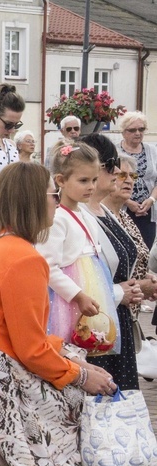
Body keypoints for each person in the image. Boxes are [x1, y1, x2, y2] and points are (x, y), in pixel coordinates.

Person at [0, 161, 115, 466]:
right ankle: (10, 442)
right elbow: (31, 350)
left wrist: (71, 360)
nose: (59, 202)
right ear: (33, 200)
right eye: (54, 194)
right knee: (75, 396)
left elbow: (21, 337)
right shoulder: (24, 257)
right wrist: (82, 375)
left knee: (72, 357)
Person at [37, 141, 123, 386]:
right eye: (84, 181)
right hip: (68, 299)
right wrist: (77, 295)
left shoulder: (84, 213)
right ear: (61, 180)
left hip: (90, 289)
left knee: (90, 346)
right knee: (70, 346)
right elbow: (47, 266)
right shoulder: (56, 219)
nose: (92, 187)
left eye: (94, 180)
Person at [79, 134, 145, 391]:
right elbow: (80, 278)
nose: (117, 171)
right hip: (97, 324)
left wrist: (134, 287)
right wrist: (120, 292)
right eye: (110, 165)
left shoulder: (105, 211)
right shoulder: (78, 215)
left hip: (117, 322)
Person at [103, 155, 157, 317]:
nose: (129, 181)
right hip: (109, 311)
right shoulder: (100, 218)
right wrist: (142, 285)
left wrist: (149, 280)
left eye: (132, 176)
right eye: (122, 175)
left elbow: (133, 263)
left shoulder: (125, 217)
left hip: (130, 312)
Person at [116, 111, 157, 248]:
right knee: (125, 248)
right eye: (132, 130)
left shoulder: (153, 151)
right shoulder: (115, 151)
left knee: (145, 249)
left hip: (147, 210)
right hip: (121, 208)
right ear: (123, 132)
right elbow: (108, 179)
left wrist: (151, 200)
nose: (137, 133)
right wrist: (127, 202)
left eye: (141, 129)